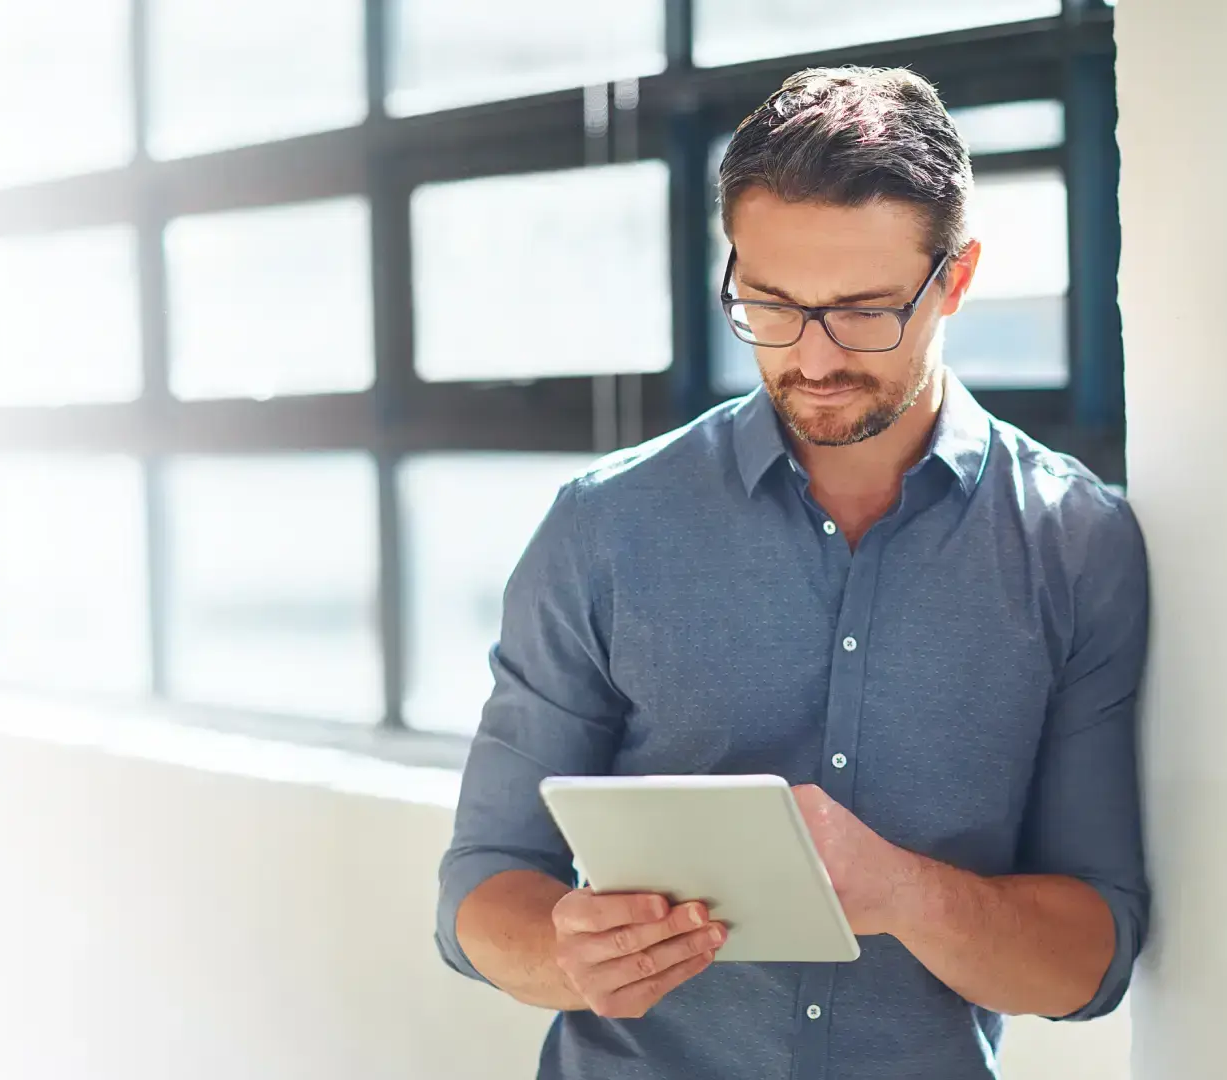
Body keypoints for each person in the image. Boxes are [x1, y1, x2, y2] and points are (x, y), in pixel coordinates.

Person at [436, 65, 1149, 1080]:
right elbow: (481, 887)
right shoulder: (604, 529)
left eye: (862, 312)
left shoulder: (1077, 545)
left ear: (955, 280)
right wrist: (566, 954)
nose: (811, 359)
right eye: (770, 305)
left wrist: (901, 891)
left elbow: (1089, 962)